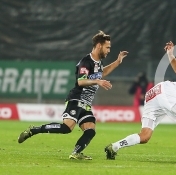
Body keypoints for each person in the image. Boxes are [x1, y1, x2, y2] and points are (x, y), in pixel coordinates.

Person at [17, 30, 129, 160]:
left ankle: (76, 153)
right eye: (107, 47)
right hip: (76, 99)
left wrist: (117, 62)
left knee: (90, 130)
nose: (109, 50)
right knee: (67, 127)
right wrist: (97, 81)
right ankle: (33, 130)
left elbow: (102, 73)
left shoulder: (98, 63)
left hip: (86, 103)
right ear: (99, 46)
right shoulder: (86, 62)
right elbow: (81, 81)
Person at [104, 41, 176, 161]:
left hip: (152, 97)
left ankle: (114, 147)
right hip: (165, 90)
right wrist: (170, 54)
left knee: (145, 136)